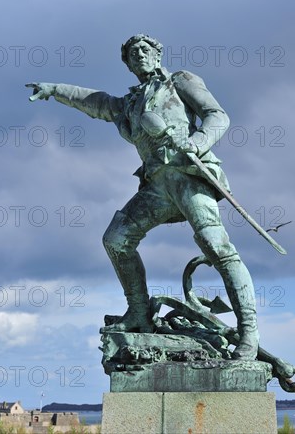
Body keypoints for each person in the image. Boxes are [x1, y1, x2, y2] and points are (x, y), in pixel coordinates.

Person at [26, 34, 259, 360]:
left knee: (216, 246)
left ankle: (248, 331)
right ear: (128, 64)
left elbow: (217, 115)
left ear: (158, 53)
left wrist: (198, 142)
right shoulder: (129, 103)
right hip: (156, 186)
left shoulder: (180, 81)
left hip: (187, 175)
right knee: (116, 238)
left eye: (144, 50)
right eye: (132, 53)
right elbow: (94, 101)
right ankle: (139, 311)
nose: (139, 55)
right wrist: (54, 89)